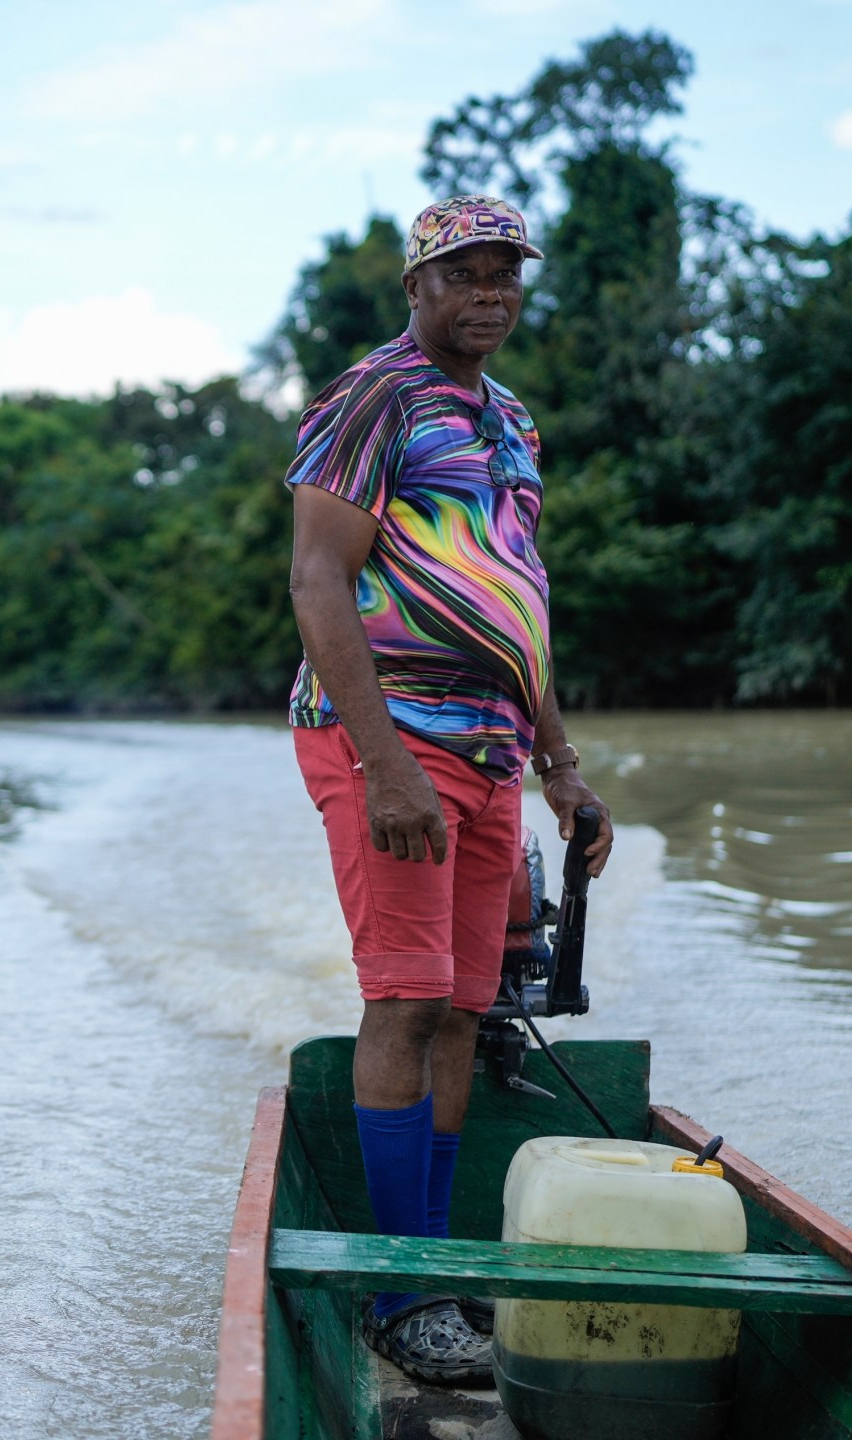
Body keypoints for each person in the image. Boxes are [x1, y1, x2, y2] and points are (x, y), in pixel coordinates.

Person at [284, 194, 614, 1386]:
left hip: (487, 749)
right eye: (463, 274)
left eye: (504, 275)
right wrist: (381, 766)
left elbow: (516, 598)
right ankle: (397, 1288)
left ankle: (427, 1268)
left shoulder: (513, 418)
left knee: (468, 1011)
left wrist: (562, 771)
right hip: (391, 739)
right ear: (416, 287)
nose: (488, 294)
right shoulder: (372, 396)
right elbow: (319, 581)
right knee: (408, 1002)